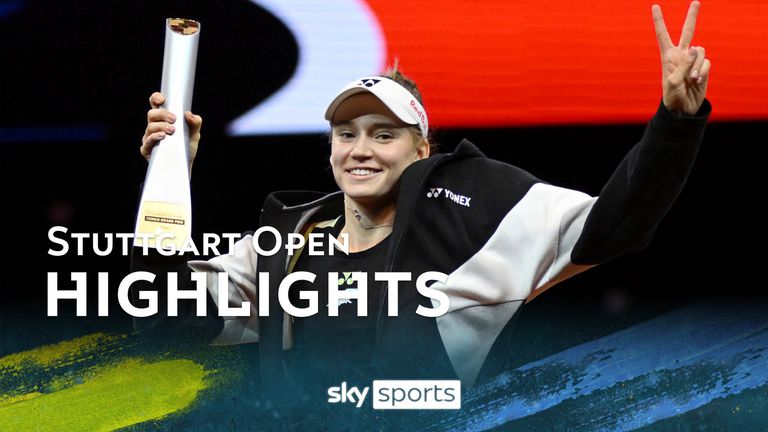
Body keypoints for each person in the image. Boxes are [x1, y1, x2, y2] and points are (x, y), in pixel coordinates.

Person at [132, 1, 711, 398]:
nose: (360, 150)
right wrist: (170, 175)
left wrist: (675, 122)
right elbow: (162, 315)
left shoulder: (480, 205)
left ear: (421, 149)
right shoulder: (287, 242)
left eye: (384, 135)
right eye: (346, 133)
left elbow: (617, 224)